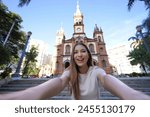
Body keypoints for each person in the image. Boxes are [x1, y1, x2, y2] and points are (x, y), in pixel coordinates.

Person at [0, 42, 150, 100]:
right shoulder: (69, 72)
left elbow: (108, 80)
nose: (79, 54)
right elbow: (59, 82)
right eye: (75, 52)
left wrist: (136, 96)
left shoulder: (96, 70)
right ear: (72, 55)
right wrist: (22, 96)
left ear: (89, 54)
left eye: (83, 51)